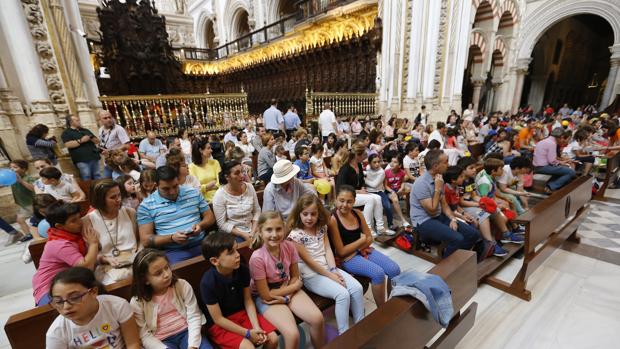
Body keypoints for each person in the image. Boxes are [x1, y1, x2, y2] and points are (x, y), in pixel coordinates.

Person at [288, 194, 364, 334]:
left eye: (313, 214)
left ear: (319, 214)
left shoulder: (321, 227)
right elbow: (309, 261)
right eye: (305, 214)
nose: (309, 218)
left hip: (327, 268)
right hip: (310, 274)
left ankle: (361, 327)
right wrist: (331, 275)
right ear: (299, 214)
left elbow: (327, 248)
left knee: (357, 288)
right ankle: (344, 334)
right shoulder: (295, 235)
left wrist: (334, 269)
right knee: (342, 295)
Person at [249, 211, 325, 349]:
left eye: (278, 229)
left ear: (284, 229)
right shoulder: (257, 258)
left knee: (317, 319)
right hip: (266, 296)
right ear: (260, 232)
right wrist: (293, 288)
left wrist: (287, 295)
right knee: (292, 334)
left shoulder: (289, 246)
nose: (274, 234)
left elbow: (295, 276)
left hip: (286, 287)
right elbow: (266, 295)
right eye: (269, 230)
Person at [200, 233, 279, 349]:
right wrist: (247, 333)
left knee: (272, 339)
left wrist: (256, 327)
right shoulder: (207, 283)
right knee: (248, 347)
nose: (237, 255)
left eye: (236, 250)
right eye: (231, 253)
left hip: (242, 314)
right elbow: (218, 319)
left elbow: (248, 300)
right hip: (221, 324)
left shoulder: (242, 270)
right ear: (215, 261)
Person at [328, 185, 400, 306]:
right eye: (341, 200)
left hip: (361, 251)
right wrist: (361, 241)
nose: (345, 205)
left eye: (349, 201)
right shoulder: (333, 219)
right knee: (378, 273)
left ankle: (390, 305)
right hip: (347, 259)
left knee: (394, 270)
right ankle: (382, 310)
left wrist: (358, 245)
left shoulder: (357, 213)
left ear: (354, 202)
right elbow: (341, 252)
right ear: (336, 199)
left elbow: (370, 238)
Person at [130, 249, 213, 349]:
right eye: (158, 273)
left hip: (187, 332)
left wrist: (193, 345)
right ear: (145, 280)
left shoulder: (182, 285)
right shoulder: (137, 302)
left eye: (167, 267)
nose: (166, 274)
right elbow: (144, 335)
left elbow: (194, 316)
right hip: (160, 340)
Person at [409, 150, 480, 258]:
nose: (449, 164)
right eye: (446, 162)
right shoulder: (421, 183)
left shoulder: (439, 179)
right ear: (436, 166)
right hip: (423, 220)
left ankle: (456, 258)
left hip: (438, 216)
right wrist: (437, 188)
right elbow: (431, 209)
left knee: (473, 234)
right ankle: (447, 264)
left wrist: (453, 219)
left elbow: (444, 205)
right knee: (457, 238)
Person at [137, 166, 215, 265]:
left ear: (178, 180)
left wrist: (200, 225)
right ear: (156, 186)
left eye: (175, 186)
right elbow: (145, 240)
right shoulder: (146, 206)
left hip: (202, 243)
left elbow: (210, 218)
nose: (172, 192)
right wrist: (171, 238)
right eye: (166, 189)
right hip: (173, 251)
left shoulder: (192, 192)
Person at [46, 267, 140, 348]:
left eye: (74, 297)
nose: (66, 306)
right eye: (58, 301)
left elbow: (133, 344)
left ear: (94, 292)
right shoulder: (56, 332)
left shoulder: (118, 306)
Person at [32, 202, 99, 306]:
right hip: (48, 291)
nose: (80, 222)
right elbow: (86, 268)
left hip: (66, 283)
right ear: (59, 226)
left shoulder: (72, 235)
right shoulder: (59, 244)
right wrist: (94, 243)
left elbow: (86, 258)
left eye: (79, 217)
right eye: (73, 221)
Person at [83, 180, 139, 284]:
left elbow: (139, 242)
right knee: (113, 282)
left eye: (119, 195)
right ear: (100, 200)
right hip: (106, 265)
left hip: (134, 260)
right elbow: (90, 254)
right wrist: (105, 259)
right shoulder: (88, 221)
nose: (118, 200)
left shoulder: (130, 212)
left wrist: (139, 255)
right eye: (113, 197)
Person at [336, 142, 395, 236]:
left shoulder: (359, 165)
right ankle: (367, 228)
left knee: (378, 198)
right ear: (357, 156)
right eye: (364, 154)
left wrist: (362, 187)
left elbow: (361, 181)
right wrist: (358, 191)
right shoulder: (345, 168)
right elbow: (341, 187)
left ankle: (380, 227)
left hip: (357, 193)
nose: (366, 156)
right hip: (346, 196)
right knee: (370, 199)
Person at [475, 158, 524, 244]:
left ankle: (515, 228)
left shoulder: (490, 175)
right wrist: (497, 205)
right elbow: (484, 201)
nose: (503, 171)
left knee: (510, 202)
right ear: (494, 171)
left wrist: (503, 199)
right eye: (501, 169)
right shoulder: (485, 183)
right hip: (482, 204)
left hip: (490, 200)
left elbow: (493, 192)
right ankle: (505, 235)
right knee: (503, 214)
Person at [213, 161, 261, 242]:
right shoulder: (220, 195)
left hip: (252, 228)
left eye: (242, 171)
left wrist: (253, 230)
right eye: (237, 173)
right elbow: (222, 224)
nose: (242, 175)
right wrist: (243, 234)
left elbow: (257, 211)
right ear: (227, 177)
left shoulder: (249, 187)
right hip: (233, 234)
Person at [533, 127, 577, 192]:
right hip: (542, 167)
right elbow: (552, 161)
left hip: (537, 165)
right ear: (561, 137)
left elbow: (552, 159)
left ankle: (550, 185)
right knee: (571, 171)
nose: (562, 140)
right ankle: (551, 186)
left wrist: (562, 162)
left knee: (564, 168)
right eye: (562, 138)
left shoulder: (544, 140)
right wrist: (562, 163)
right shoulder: (552, 143)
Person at [61, 115, 102, 180]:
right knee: (86, 176)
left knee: (97, 175)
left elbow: (97, 141)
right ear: (71, 122)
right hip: (81, 159)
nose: (79, 121)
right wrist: (81, 140)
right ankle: (89, 190)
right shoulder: (66, 133)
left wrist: (92, 138)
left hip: (93, 156)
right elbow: (68, 145)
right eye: (77, 120)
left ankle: (99, 189)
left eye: (79, 120)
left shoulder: (85, 130)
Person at [9, 160, 35, 242]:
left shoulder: (28, 178)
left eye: (15, 167)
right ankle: (28, 235)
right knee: (20, 220)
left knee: (38, 218)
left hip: (33, 203)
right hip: (23, 204)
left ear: (24, 169)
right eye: (10, 167)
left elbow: (33, 188)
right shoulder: (12, 180)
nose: (12, 169)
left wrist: (21, 181)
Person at [98, 110, 131, 178]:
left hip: (120, 162)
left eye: (110, 117)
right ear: (100, 120)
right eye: (105, 118)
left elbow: (127, 145)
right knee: (107, 182)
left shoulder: (118, 129)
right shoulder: (100, 130)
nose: (109, 119)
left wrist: (111, 151)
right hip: (108, 162)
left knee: (121, 182)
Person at [190, 138, 222, 203]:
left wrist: (203, 187)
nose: (211, 150)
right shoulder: (191, 167)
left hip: (218, 198)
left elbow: (221, 182)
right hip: (202, 201)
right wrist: (207, 186)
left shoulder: (215, 163)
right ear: (201, 150)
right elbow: (194, 189)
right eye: (208, 148)